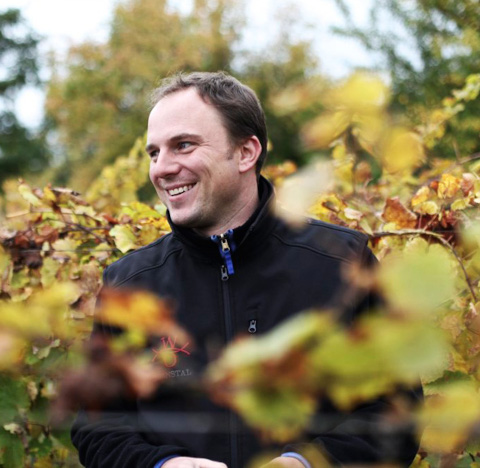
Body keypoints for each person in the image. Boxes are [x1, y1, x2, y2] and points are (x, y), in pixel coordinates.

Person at [71, 71, 420, 468]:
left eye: (183, 145)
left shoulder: (342, 261)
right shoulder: (128, 284)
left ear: (246, 152)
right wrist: (161, 465)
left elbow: (396, 412)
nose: (161, 168)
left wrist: (306, 464)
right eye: (154, 153)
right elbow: (97, 428)